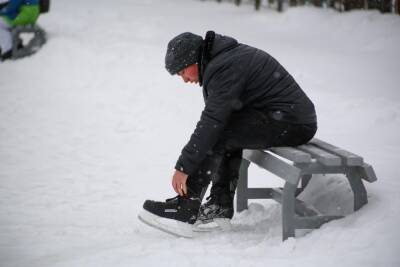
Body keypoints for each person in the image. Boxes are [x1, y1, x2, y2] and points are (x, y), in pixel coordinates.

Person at [138, 31, 317, 237]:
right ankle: (219, 207)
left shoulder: (225, 66)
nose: (184, 80)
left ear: (193, 60)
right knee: (224, 132)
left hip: (292, 122)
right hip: (284, 118)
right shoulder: (222, 61)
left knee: (220, 133)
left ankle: (187, 206)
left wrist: (184, 167)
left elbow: (212, 123)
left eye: (182, 72)